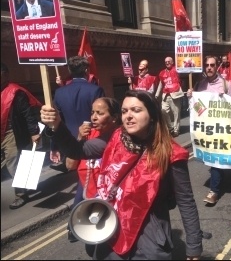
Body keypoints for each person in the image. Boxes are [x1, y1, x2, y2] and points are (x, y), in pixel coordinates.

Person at [41, 90, 203, 260]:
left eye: (136, 110)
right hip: (109, 231)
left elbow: (186, 201)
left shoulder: (171, 154)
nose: (129, 116)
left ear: (153, 114)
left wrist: (194, 246)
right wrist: (57, 125)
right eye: (125, 111)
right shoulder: (116, 137)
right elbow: (77, 150)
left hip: (147, 240)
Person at [51, 55, 105, 242]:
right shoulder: (95, 89)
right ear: (86, 71)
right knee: (85, 181)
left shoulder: (59, 93)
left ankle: (78, 222)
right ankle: (73, 225)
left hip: (68, 141)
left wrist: (54, 146)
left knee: (84, 180)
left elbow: (55, 122)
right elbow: (101, 116)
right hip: (90, 141)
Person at [187, 55, 231, 205]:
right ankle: (219, 179)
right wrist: (190, 97)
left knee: (216, 159)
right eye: (206, 65)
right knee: (214, 160)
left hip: (221, 129)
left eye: (212, 65)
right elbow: (196, 109)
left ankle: (214, 191)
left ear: (217, 66)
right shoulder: (200, 85)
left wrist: (224, 100)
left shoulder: (226, 85)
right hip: (206, 129)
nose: (209, 68)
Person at [1, 62, 41, 209]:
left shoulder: (15, 92)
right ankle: (24, 185)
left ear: (5, 74)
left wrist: (34, 132)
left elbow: (28, 113)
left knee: (14, 165)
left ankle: (21, 194)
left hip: (11, 133)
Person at [156, 56, 184, 137]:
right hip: (165, 96)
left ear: (172, 62)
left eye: (169, 61)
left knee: (176, 114)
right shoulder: (162, 73)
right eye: (166, 62)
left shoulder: (177, 70)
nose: (167, 63)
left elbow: (184, 68)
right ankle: (170, 127)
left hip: (175, 95)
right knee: (163, 111)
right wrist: (157, 94)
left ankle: (176, 130)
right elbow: (161, 84)